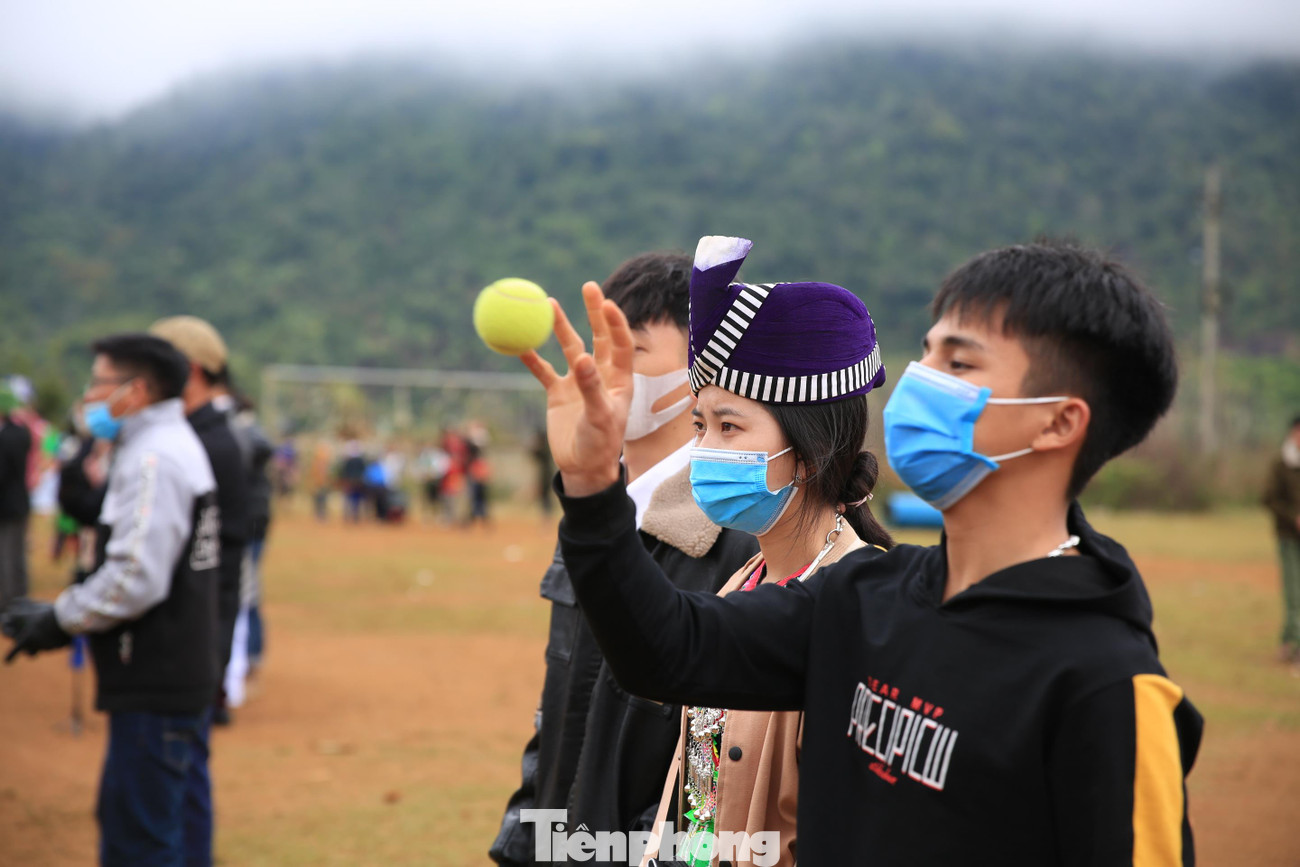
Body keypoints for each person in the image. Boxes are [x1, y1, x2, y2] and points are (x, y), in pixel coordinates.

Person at [523, 237, 1203, 865]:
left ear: (1059, 420)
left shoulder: (1108, 685)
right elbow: (666, 648)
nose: (918, 380)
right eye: (928, 352)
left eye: (958, 362)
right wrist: (591, 486)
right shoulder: (866, 597)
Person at [489, 251, 759, 865]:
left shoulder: (731, 535)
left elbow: (710, 762)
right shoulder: (593, 515)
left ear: (702, 370)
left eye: (631, 351)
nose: (601, 368)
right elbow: (559, 704)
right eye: (597, 346)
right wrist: (525, 839)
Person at [3, 333, 221, 867]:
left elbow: (134, 577)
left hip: (155, 675)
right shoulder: (168, 445)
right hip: (175, 669)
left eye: (98, 384)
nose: (89, 398)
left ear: (136, 391)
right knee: (162, 824)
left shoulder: (155, 458)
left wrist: (62, 618)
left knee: (139, 840)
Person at [148, 315, 249, 865]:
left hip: (193, 633)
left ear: (185, 372)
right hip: (197, 630)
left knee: (180, 774)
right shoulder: (199, 436)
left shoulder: (207, 443)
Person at [1263, 414, 1300, 666]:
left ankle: (1289, 641)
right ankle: (1293, 644)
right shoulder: (1281, 463)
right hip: (1288, 536)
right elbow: (1269, 498)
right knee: (1293, 592)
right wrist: (1293, 518)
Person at [0, 384, 33, 610]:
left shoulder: (5, 437)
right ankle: (21, 598)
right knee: (18, 554)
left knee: (6, 556)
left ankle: (8, 604)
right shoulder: (22, 433)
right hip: (21, 500)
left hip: (6, 504)